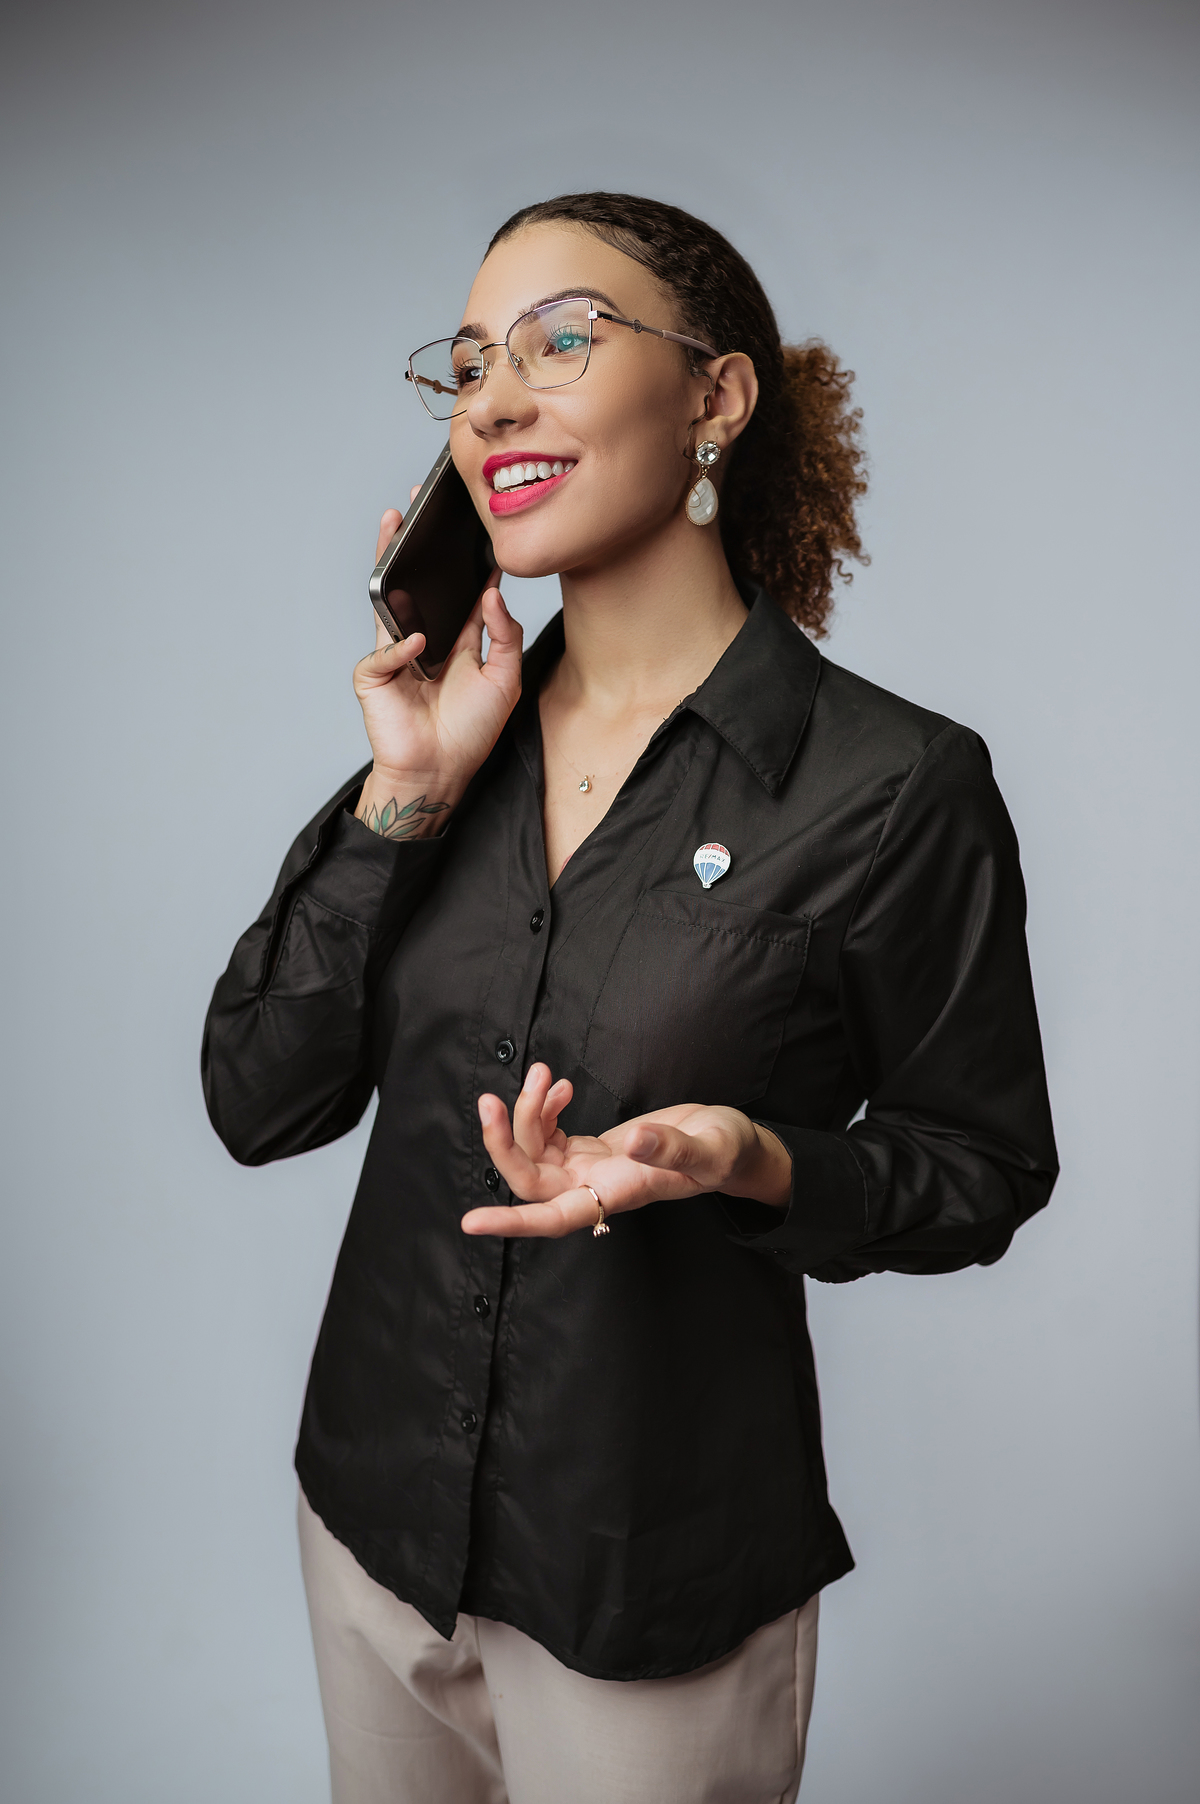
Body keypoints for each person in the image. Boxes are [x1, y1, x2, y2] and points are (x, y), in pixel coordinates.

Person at [202, 192, 1057, 1804]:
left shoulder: (895, 787)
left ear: (715, 399)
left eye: (561, 342)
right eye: (471, 364)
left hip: (648, 1571)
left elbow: (985, 1166)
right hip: (371, 1526)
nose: (494, 402)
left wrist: (754, 1157)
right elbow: (257, 1097)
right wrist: (401, 803)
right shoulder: (450, 751)